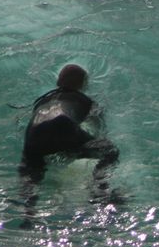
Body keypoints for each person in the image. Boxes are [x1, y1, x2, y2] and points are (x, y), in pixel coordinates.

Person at [19, 64, 119, 193]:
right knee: (110, 150)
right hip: (64, 127)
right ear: (83, 85)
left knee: (31, 180)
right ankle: (99, 188)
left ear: (58, 81)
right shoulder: (86, 101)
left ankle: (28, 206)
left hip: (34, 136)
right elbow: (99, 127)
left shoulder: (41, 101)